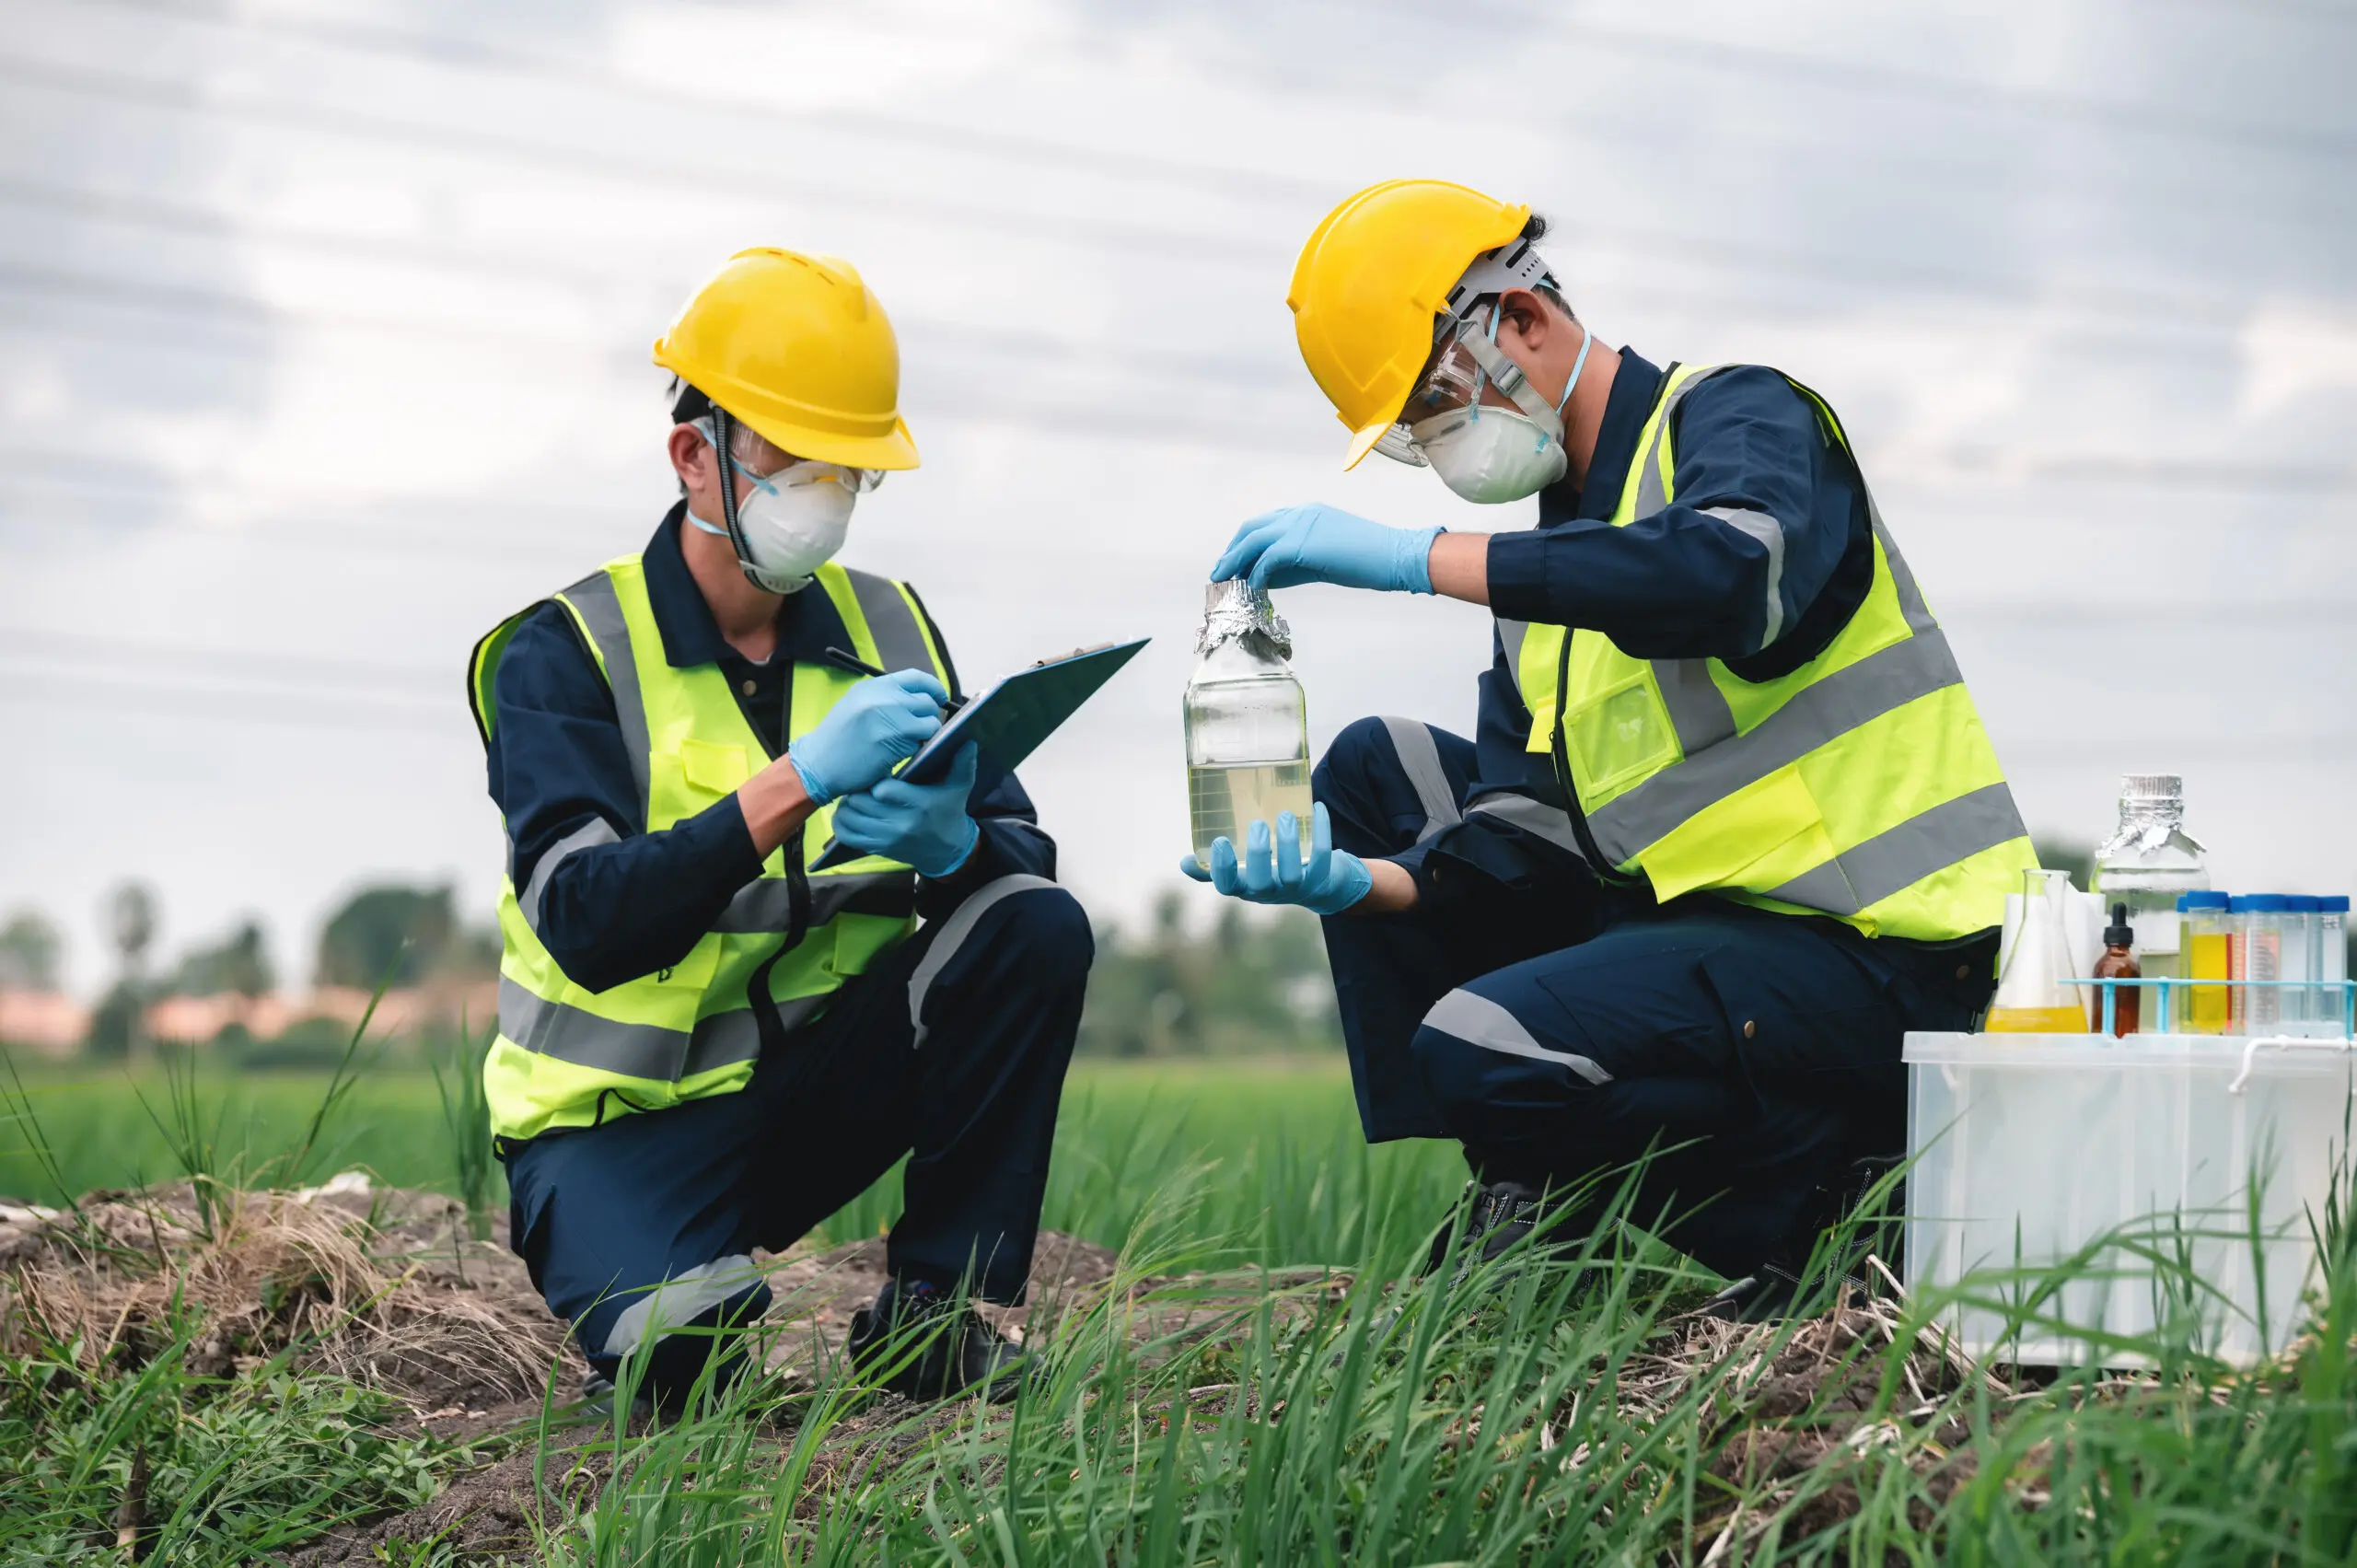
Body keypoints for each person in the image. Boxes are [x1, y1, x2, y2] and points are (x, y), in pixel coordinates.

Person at [1186, 180, 2032, 1315]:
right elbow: (1522, 838)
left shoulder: (1737, 417)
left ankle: (1832, 1225)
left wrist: (1419, 556)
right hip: (1715, 939)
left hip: (1891, 955)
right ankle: (1524, 1187)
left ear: (1522, 323)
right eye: (1414, 437)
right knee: (1371, 767)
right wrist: (1356, 883)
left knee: (1486, 1040)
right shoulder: (1541, 578)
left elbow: (1725, 575)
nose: (1441, 447)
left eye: (1439, 402)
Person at [469, 248, 1091, 1405]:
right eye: (789, 458)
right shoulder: (566, 653)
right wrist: (793, 782)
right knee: (682, 1372)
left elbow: (1026, 876)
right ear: (693, 455)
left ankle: (930, 1314)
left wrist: (955, 844)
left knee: (1029, 919)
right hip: (612, 1136)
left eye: (847, 468)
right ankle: (667, 1290)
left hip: (806, 1101)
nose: (823, 492)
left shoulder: (893, 629)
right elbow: (588, 922)